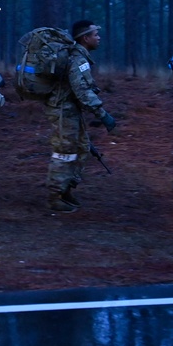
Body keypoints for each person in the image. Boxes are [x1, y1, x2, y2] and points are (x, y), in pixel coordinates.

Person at [42, 20, 116, 212]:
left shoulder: (80, 58)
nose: (98, 38)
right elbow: (83, 92)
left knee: (82, 149)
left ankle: (66, 189)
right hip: (62, 112)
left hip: (71, 111)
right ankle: (54, 196)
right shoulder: (78, 60)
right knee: (64, 153)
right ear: (85, 38)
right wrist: (102, 114)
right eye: (95, 34)